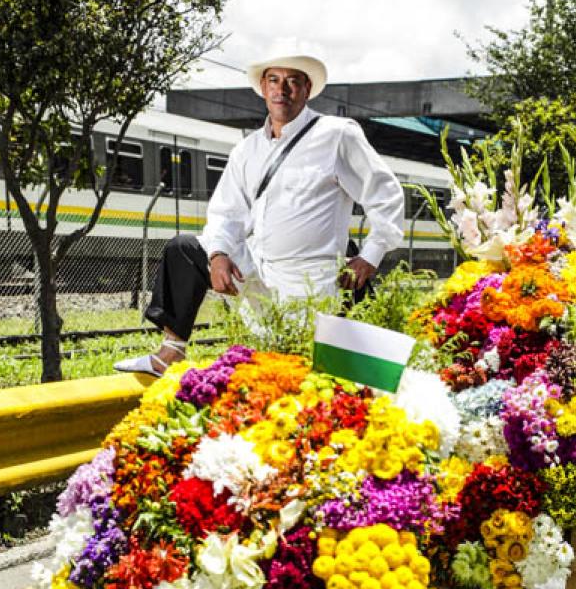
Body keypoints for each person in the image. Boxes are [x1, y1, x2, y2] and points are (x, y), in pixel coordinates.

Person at [115, 53, 405, 376]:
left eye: (293, 81)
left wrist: (370, 255)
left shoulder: (337, 135)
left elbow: (385, 192)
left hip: (314, 281)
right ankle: (169, 353)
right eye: (274, 80)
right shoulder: (246, 150)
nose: (283, 89)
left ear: (306, 89)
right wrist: (219, 255)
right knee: (183, 250)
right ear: (264, 88)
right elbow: (226, 211)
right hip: (256, 276)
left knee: (330, 378)